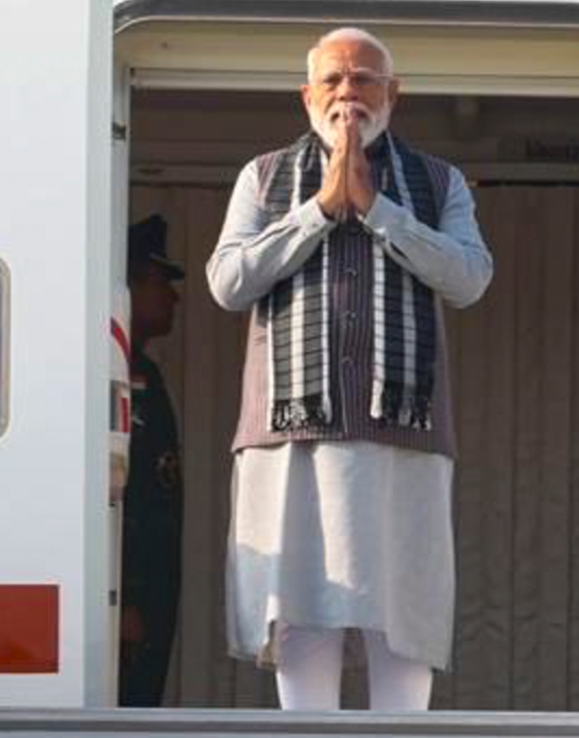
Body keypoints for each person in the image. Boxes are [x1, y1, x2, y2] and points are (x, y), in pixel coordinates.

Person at [207, 27, 493, 711]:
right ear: (307, 95)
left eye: (364, 79)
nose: (348, 93)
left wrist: (376, 210)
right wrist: (319, 212)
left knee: (405, 619)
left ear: (393, 94)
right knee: (301, 612)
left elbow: (470, 277)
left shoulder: (438, 181)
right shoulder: (264, 176)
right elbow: (227, 281)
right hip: (290, 439)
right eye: (332, 80)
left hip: (404, 437)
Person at [119, 214, 185, 707]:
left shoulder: (143, 373)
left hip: (154, 594)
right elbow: (123, 496)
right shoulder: (111, 374)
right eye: (163, 282)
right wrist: (125, 598)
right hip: (132, 600)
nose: (174, 297)